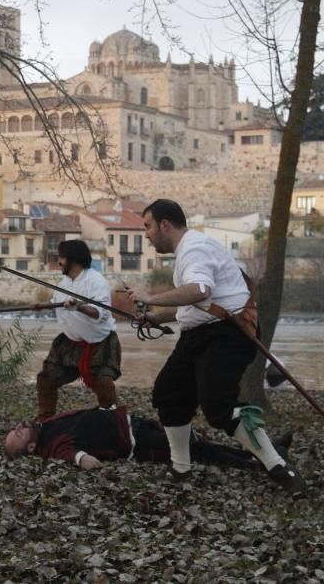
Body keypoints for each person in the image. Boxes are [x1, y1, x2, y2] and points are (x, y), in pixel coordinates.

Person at [126, 198, 306, 497]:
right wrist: (155, 316)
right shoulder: (189, 251)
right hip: (201, 334)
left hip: (228, 334)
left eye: (148, 226)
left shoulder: (194, 249)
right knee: (168, 395)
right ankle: (181, 468)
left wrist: (150, 296)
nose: (146, 234)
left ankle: (278, 466)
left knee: (218, 406)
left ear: (165, 224)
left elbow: (199, 290)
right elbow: (198, 303)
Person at [3, 405, 290, 472]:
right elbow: (72, 453)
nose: (19, 426)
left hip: (134, 425)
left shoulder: (45, 426)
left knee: (200, 445)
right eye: (19, 433)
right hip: (137, 445)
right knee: (197, 450)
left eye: (16, 427)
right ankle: (263, 463)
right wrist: (86, 461)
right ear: (30, 446)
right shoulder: (52, 444)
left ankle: (265, 455)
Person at [31, 239, 121, 422]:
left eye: (61, 258)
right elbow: (59, 304)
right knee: (46, 379)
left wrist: (79, 306)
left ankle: (113, 422)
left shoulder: (96, 281)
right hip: (70, 342)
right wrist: (43, 306)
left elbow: (100, 313)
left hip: (99, 343)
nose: (59, 262)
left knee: (103, 384)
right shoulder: (64, 282)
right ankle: (45, 421)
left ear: (73, 259)